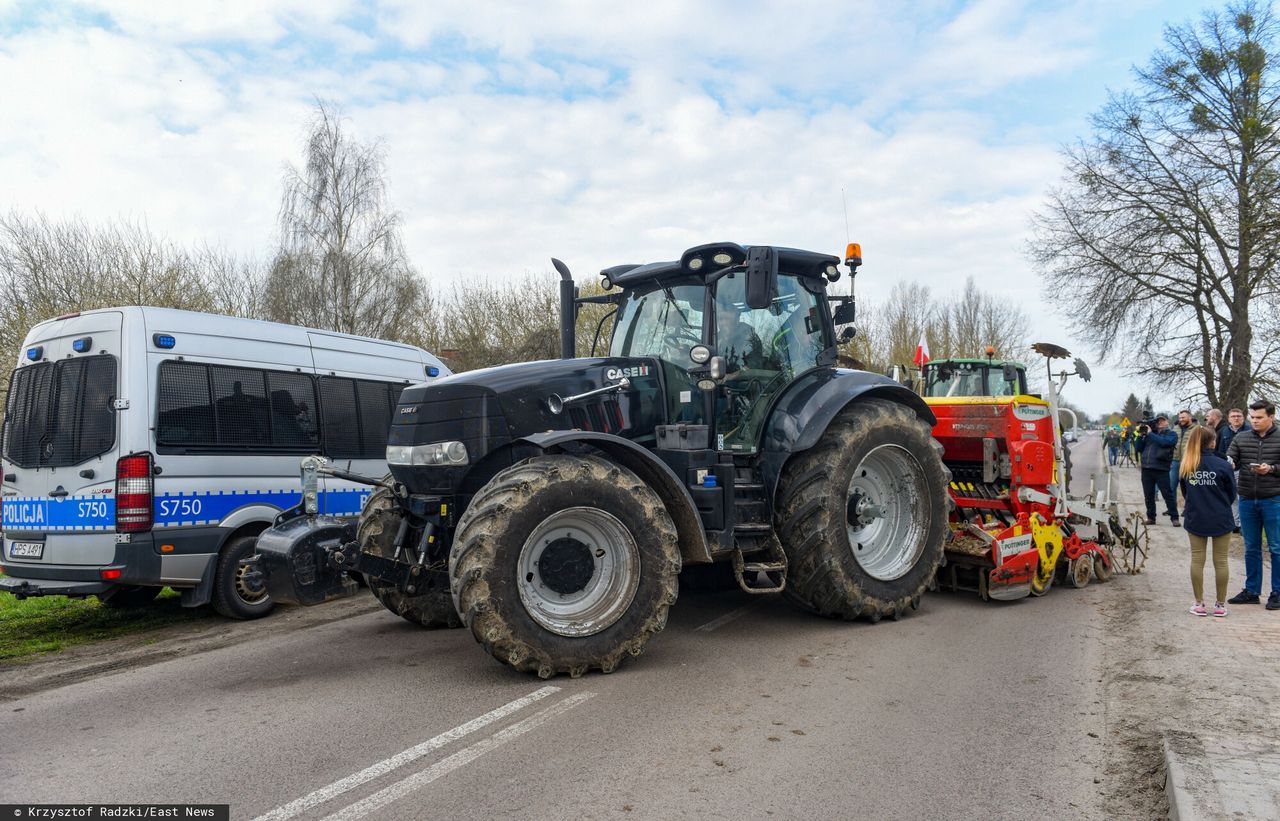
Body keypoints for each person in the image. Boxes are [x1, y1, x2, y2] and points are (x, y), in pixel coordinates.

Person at [1226, 399, 1280, 609]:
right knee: (1251, 547)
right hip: (1247, 499)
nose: (1255, 421)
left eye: (1259, 417)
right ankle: (1252, 590)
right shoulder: (1242, 437)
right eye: (1253, 417)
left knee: (1276, 547)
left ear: (1271, 417)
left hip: (1273, 499)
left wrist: (1272, 469)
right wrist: (1228, 462)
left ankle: (1277, 592)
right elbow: (1231, 457)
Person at [1179, 426, 1235, 617]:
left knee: (1197, 559)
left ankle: (1199, 604)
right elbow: (1231, 494)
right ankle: (1220, 605)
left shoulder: (1187, 465)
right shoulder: (1224, 465)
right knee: (1220, 561)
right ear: (1212, 442)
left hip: (1196, 517)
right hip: (1221, 517)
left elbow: (1185, 492)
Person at [1136, 415, 1180, 526]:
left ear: (1167, 421)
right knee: (1148, 495)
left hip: (1161, 469)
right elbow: (1138, 448)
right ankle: (1151, 518)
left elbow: (1165, 443)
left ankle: (1174, 517)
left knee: (1167, 494)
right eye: (1158, 421)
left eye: (1162, 420)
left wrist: (1150, 434)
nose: (1159, 422)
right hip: (1146, 468)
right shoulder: (1149, 434)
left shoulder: (1171, 434)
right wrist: (1140, 435)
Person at [1170, 409, 1195, 501]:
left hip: (1189, 462)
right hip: (1175, 461)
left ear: (1190, 417)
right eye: (1180, 418)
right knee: (1171, 486)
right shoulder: (1175, 428)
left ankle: (1188, 508)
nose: (1181, 419)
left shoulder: (1197, 429)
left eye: (1183, 417)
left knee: (1190, 487)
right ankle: (1172, 509)